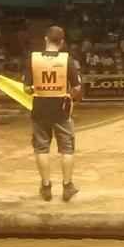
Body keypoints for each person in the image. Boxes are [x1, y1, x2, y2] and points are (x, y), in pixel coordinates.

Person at [24, 26, 82, 202]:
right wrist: (68, 95)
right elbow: (77, 88)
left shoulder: (33, 59)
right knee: (67, 149)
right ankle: (67, 186)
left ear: (45, 39)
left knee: (41, 148)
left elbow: (27, 88)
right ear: (62, 42)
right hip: (61, 109)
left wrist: (37, 89)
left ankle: (46, 187)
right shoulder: (67, 61)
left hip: (40, 108)